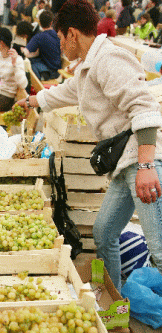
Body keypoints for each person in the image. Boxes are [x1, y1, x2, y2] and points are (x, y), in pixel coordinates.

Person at [15, 0, 162, 293]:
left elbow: (144, 109)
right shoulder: (88, 67)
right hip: (124, 163)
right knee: (104, 233)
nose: (59, 45)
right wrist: (32, 101)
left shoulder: (109, 60)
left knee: (159, 249)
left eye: (59, 38)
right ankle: (112, 298)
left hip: (142, 161)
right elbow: (68, 92)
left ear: (71, 34)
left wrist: (147, 166)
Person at [0, 27, 28, 111]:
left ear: (1, 43)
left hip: (6, 98)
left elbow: (23, 84)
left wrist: (14, 65)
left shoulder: (17, 59)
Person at [22, 10, 61, 81]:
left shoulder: (39, 37)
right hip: (58, 70)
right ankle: (43, 72)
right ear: (51, 22)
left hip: (49, 70)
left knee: (31, 63)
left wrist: (23, 51)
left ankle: (43, 73)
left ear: (39, 23)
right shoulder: (58, 35)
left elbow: (26, 53)